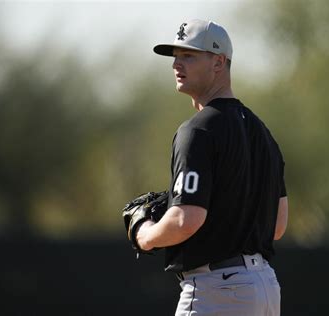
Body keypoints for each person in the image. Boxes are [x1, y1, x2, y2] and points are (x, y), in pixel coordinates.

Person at [136, 19, 288, 315]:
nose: (176, 64)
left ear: (218, 62)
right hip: (265, 289)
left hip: (218, 290)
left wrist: (146, 234)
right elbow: (278, 226)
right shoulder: (263, 134)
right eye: (175, 57)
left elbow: (185, 220)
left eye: (189, 56)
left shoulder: (198, 130)